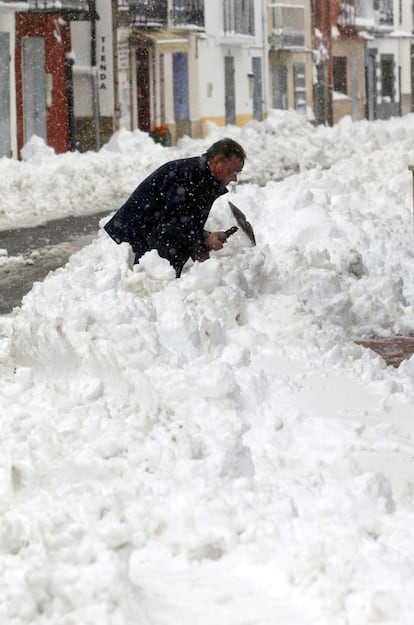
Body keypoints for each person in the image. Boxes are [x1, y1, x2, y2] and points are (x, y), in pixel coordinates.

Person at [104, 138, 246, 277]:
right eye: (233, 171)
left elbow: (184, 221)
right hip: (133, 241)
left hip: (150, 239)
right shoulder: (187, 175)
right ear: (218, 162)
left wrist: (201, 242)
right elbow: (173, 222)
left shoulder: (204, 178)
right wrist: (204, 238)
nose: (234, 178)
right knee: (144, 289)